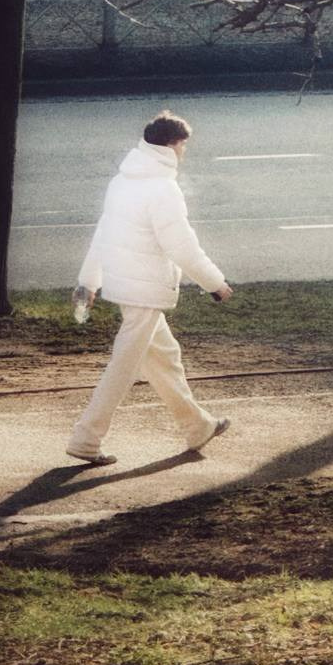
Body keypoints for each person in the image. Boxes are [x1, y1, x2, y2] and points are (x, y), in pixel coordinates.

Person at [66, 110, 233, 466]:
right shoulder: (163, 189)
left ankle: (197, 426)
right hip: (144, 289)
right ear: (172, 146)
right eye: (183, 146)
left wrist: (89, 281)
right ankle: (86, 438)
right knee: (123, 366)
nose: (184, 153)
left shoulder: (122, 181)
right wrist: (215, 284)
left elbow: (103, 233)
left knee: (164, 358)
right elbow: (181, 245)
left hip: (126, 284)